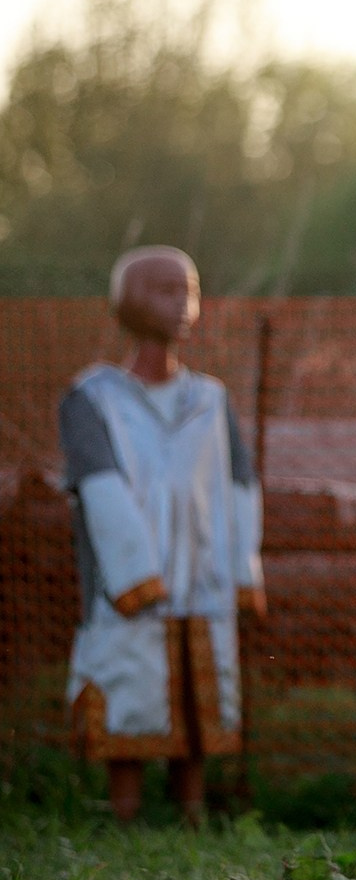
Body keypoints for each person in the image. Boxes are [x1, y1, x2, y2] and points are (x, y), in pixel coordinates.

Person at [61, 246, 265, 825]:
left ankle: (192, 811)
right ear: (129, 301)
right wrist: (136, 573)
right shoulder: (92, 399)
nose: (183, 304)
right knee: (129, 680)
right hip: (130, 580)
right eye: (165, 291)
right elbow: (99, 486)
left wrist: (241, 569)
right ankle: (125, 812)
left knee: (199, 691)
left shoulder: (211, 399)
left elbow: (239, 484)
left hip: (203, 575)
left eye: (191, 291)